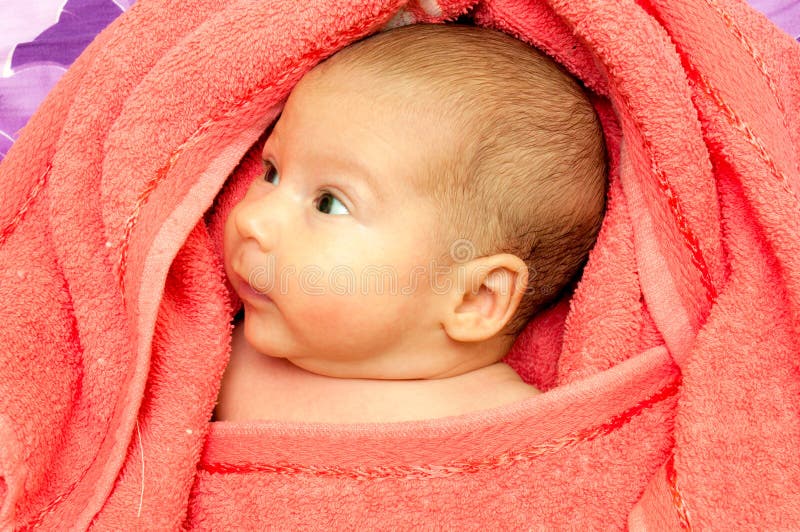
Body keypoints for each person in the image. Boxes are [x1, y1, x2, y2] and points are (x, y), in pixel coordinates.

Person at [213, 23, 606, 423]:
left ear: (475, 297)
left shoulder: (528, 435)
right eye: (271, 173)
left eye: (329, 203)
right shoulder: (211, 357)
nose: (251, 218)